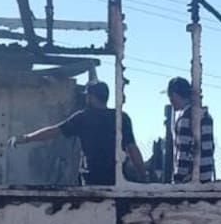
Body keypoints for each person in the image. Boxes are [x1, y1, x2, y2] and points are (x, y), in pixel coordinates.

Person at [8, 79, 145, 186]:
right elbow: (132, 149)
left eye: (87, 96)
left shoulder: (84, 117)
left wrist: (26, 138)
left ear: (91, 97)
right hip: (116, 180)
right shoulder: (121, 118)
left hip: (92, 181)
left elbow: (53, 131)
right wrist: (143, 177)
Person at [167, 77, 215, 183]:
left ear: (175, 95)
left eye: (170, 97)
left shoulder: (185, 119)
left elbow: (183, 152)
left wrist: (178, 178)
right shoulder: (206, 116)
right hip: (205, 179)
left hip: (189, 181)